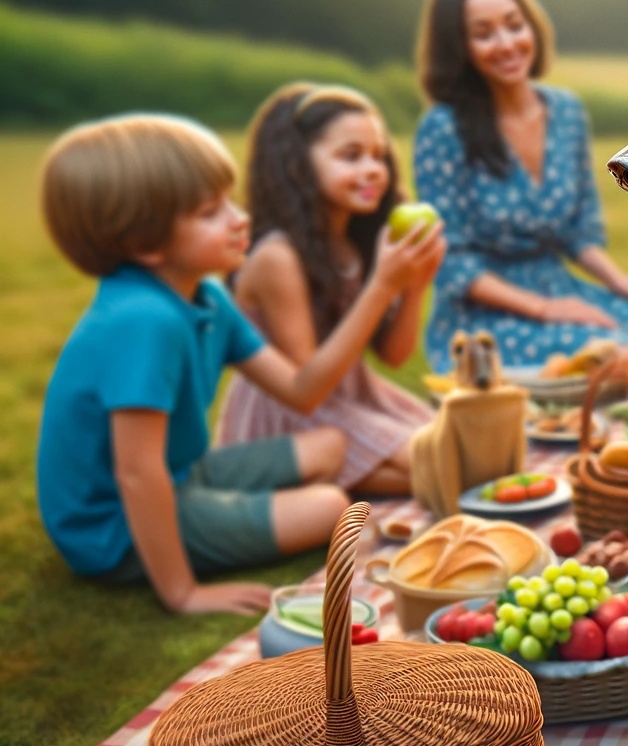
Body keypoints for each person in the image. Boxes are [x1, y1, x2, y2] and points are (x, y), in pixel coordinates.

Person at [34, 116, 435, 615]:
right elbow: (137, 474)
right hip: (112, 527)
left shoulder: (207, 296)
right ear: (145, 245)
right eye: (209, 212)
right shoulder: (143, 321)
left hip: (186, 471)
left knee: (332, 444)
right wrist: (183, 593)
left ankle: (252, 514)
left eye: (229, 199)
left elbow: (303, 391)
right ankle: (247, 521)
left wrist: (391, 285)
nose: (238, 217)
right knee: (334, 506)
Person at [412, 0, 628, 374]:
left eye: (514, 25)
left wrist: (618, 282)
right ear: (459, 48)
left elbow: (578, 232)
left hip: (558, 285)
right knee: (615, 357)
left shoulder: (566, 112)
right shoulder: (443, 129)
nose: (507, 43)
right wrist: (545, 310)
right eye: (484, 33)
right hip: (484, 313)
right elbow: (452, 261)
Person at [217, 84, 444, 495]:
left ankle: (344, 479)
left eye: (378, 156)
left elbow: (392, 355)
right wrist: (381, 285)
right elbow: (308, 385)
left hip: (352, 398)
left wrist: (414, 287)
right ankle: (311, 481)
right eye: (351, 155)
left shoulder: (354, 240)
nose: (374, 169)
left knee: (454, 456)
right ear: (298, 165)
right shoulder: (277, 256)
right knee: (442, 466)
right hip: (289, 419)